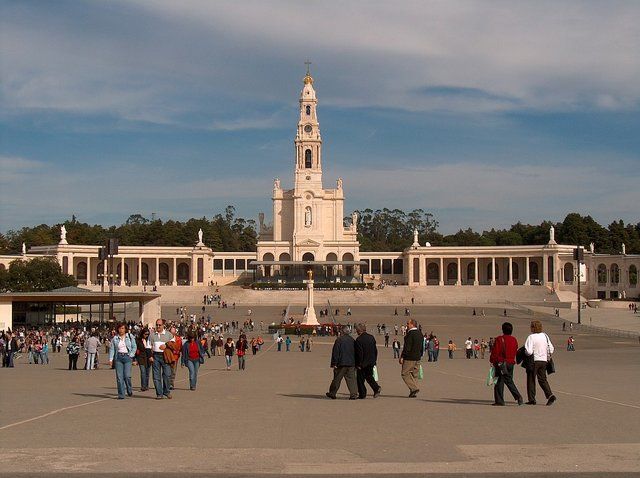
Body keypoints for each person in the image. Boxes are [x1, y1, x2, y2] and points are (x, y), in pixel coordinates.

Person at [489, 322, 523, 406]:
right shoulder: (514, 339)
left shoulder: (499, 339)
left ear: (503, 329)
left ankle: (501, 400)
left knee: (499, 381)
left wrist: (492, 361)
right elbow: (515, 350)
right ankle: (517, 396)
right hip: (511, 363)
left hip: (501, 363)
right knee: (509, 380)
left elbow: (495, 352)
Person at [524, 320, 556, 406]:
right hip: (544, 360)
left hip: (534, 361)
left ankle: (532, 399)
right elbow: (551, 349)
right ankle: (550, 395)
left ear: (533, 328)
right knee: (542, 379)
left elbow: (529, 351)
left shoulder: (531, 337)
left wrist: (525, 352)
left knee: (531, 380)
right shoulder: (545, 336)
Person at [326, 326, 358, 400]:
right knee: (352, 379)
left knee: (337, 379)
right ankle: (353, 394)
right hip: (351, 363)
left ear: (342, 332)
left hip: (341, 363)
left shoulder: (339, 340)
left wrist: (334, 363)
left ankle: (332, 393)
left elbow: (336, 352)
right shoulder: (352, 340)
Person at [108, 322, 137, 400]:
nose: (121, 330)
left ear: (125, 329)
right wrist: (111, 359)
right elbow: (112, 349)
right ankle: (121, 394)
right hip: (119, 358)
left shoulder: (130, 336)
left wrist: (131, 355)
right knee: (119, 377)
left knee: (127, 376)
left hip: (127, 357)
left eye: (123, 328)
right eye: (120, 328)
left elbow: (134, 347)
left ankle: (129, 389)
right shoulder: (115, 338)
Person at [149, 319, 174, 400]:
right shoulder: (152, 335)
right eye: (157, 325)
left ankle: (166, 391)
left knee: (167, 375)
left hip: (165, 356)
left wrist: (166, 345)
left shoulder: (168, 334)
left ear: (163, 325)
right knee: (156, 376)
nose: (158, 326)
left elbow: (174, 344)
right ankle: (159, 393)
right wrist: (150, 356)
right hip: (155, 356)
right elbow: (148, 346)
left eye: (160, 325)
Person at [354, 323, 381, 399]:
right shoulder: (371, 337)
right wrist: (374, 360)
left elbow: (359, 353)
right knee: (369, 376)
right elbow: (375, 350)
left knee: (359, 379)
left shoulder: (359, 340)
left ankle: (362, 394)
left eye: (357, 330)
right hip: (371, 361)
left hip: (363, 363)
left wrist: (358, 364)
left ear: (359, 331)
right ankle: (376, 388)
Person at [400, 318, 423, 398]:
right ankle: (413, 391)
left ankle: (414, 388)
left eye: (408, 324)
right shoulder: (420, 333)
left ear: (412, 324)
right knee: (414, 374)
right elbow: (422, 346)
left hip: (410, 357)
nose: (407, 325)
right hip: (418, 357)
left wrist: (402, 356)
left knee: (404, 373)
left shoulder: (410, 334)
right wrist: (420, 355)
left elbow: (407, 347)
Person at [167, 326, 182, 390]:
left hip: (175, 357)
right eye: (171, 332)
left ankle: (171, 384)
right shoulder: (166, 338)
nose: (172, 334)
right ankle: (167, 383)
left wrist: (175, 350)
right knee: (167, 371)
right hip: (167, 357)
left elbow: (180, 348)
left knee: (173, 371)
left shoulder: (178, 339)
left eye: (174, 332)